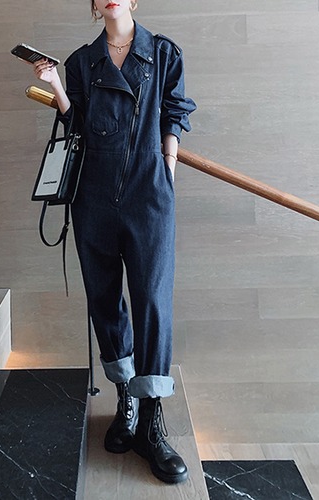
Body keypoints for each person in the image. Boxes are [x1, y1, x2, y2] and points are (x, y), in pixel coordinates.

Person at [33, 0, 196, 484]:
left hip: (149, 193)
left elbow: (175, 111)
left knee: (152, 301)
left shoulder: (164, 53)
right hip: (94, 196)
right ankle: (126, 400)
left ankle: (152, 421)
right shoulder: (82, 61)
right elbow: (77, 126)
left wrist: (167, 167)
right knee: (104, 299)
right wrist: (56, 85)